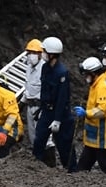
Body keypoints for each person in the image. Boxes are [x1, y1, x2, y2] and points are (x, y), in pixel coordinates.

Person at [31, 37, 76, 171]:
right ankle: (33, 167)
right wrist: (41, 109)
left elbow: (63, 98)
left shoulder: (61, 73)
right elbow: (44, 91)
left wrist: (57, 119)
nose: (42, 54)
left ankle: (72, 170)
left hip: (61, 114)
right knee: (39, 140)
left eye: (44, 51)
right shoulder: (45, 68)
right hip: (47, 111)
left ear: (51, 53)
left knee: (64, 145)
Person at [73, 56, 106, 174]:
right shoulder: (97, 84)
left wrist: (86, 113)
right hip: (95, 137)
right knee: (83, 165)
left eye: (87, 74)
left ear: (94, 73)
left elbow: (102, 111)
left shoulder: (102, 86)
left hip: (103, 135)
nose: (85, 77)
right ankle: (78, 180)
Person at [20, 39, 50, 155]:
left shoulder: (45, 69)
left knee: (45, 138)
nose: (31, 56)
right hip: (30, 106)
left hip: (41, 107)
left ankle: (49, 164)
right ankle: (38, 162)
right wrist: (22, 103)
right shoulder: (29, 67)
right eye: (29, 53)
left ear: (40, 54)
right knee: (33, 137)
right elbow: (28, 87)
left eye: (34, 53)